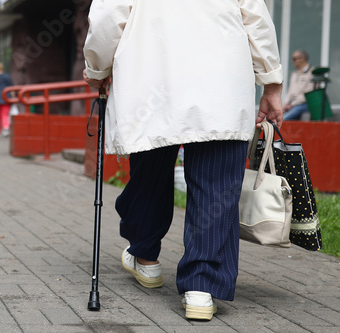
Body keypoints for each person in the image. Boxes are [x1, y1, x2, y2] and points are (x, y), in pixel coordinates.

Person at [84, 0, 283, 321]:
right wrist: (271, 82)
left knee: (149, 171)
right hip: (221, 82)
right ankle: (201, 287)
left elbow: (108, 17)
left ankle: (145, 256)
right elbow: (256, 20)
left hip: (153, 81)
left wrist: (97, 70)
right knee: (217, 184)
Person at [283, 50, 315, 120]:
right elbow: (290, 91)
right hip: (292, 105)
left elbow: (308, 94)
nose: (292, 61)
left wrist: (292, 104)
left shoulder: (312, 72)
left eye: (294, 59)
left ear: (303, 58)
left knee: (283, 119)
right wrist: (286, 103)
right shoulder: (294, 74)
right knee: (275, 117)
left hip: (303, 105)